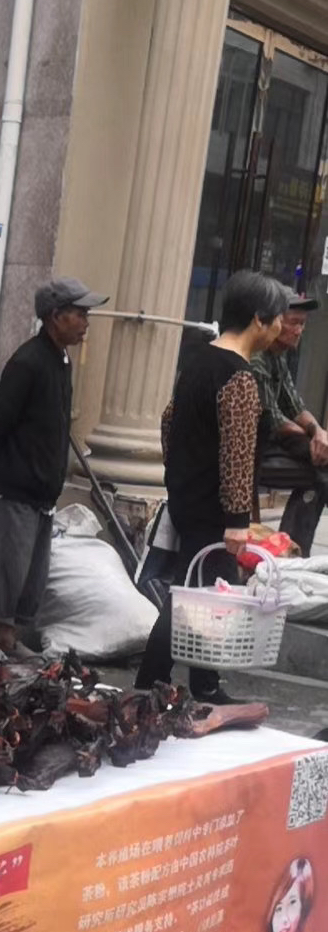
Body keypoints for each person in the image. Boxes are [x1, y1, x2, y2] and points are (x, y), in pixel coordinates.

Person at [134, 270, 291, 703]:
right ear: (259, 319)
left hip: (189, 498)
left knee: (205, 594)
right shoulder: (239, 376)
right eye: (278, 318)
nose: (281, 327)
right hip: (214, 509)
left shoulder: (198, 362)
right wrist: (238, 520)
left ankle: (204, 684)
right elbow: (238, 453)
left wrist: (179, 474)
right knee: (191, 598)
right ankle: (147, 686)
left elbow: (169, 421)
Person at [0, 276, 109, 653]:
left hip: (43, 491)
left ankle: (9, 638)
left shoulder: (60, 361)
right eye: (79, 314)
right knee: (6, 566)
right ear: (55, 316)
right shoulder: (28, 361)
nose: (85, 323)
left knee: (30, 573)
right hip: (17, 486)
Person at [251, 294, 328, 555]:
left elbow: (295, 406)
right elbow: (273, 420)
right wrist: (315, 442)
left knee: (321, 473)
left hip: (273, 448)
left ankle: (291, 552)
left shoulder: (278, 357)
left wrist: (318, 433)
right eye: (293, 322)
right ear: (274, 322)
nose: (299, 331)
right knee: (320, 476)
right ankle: (292, 553)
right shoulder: (257, 358)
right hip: (252, 456)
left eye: (302, 324)